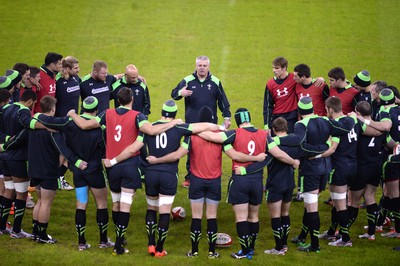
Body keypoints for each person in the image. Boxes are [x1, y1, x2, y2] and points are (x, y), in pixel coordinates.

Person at [68, 87, 183, 255]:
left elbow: (85, 125)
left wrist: (72, 114)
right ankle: (119, 245)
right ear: (132, 100)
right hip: (129, 167)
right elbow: (151, 130)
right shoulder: (138, 116)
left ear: (117, 100)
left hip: (111, 168)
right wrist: (173, 122)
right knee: (125, 206)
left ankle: (118, 240)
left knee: (115, 204)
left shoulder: (106, 114)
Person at [104, 101, 225, 257]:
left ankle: (151, 244)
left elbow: (138, 145)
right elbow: (203, 127)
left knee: (151, 208)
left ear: (162, 111)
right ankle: (160, 249)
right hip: (169, 174)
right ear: (175, 114)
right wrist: (219, 127)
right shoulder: (180, 127)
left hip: (151, 174)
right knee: (165, 212)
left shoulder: (150, 126)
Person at [198, 108, 299, 260]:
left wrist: (193, 130)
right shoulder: (264, 135)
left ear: (238, 121)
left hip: (240, 181)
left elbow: (214, 138)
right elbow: (278, 154)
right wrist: (293, 161)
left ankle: (244, 252)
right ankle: (251, 249)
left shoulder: (235, 133)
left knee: (241, 218)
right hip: (257, 182)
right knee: (254, 217)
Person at [270, 97, 354, 252]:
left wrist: (275, 140)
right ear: (313, 108)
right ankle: (308, 236)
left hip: (310, 170)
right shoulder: (325, 120)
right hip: (325, 169)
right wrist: (325, 146)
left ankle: (314, 245)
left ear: (299, 112)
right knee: (312, 205)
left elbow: (300, 146)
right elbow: (346, 127)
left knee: (311, 208)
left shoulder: (300, 124)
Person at [26, 96, 87, 244]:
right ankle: (42, 235)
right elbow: (63, 150)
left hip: (34, 168)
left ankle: (35, 232)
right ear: (53, 109)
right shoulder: (53, 129)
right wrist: (77, 162)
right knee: (46, 203)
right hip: (47, 169)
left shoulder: (34, 123)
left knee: (40, 201)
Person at [171, 55, 231, 188]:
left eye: (204, 66)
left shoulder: (215, 82)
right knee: (191, 150)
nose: (202, 68)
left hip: (210, 124)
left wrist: (227, 117)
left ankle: (213, 175)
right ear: (196, 66)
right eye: (200, 65)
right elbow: (174, 94)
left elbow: (223, 102)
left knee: (212, 149)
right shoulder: (188, 80)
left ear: (208, 66)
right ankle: (190, 177)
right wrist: (181, 92)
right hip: (192, 124)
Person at [356, 88, 400, 238]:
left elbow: (386, 127)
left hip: (392, 160)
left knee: (393, 194)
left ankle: (397, 229)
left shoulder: (383, 112)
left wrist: (365, 121)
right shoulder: (398, 108)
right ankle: (381, 222)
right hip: (388, 157)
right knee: (386, 193)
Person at [0, 90, 41, 238]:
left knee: (9, 189)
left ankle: (2, 226)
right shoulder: (23, 112)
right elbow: (27, 127)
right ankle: (17, 230)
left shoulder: (6, 108)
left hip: (4, 157)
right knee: (22, 193)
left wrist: (4, 141)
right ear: (30, 101)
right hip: (17, 158)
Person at [318, 96, 358, 247]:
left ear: (330, 109)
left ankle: (345, 239)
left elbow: (331, 147)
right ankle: (331, 232)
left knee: (340, 204)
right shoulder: (352, 122)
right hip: (352, 166)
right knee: (336, 202)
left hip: (339, 168)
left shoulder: (336, 126)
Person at [346, 101, 386, 241]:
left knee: (353, 201)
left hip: (361, 167)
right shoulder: (379, 127)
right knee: (370, 196)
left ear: (358, 113)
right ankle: (371, 233)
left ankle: (344, 232)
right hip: (376, 166)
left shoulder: (360, 126)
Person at [263, 57, 324, 134]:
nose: (274, 70)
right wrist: (267, 125)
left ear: (284, 68)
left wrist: (320, 79)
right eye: (273, 68)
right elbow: (267, 106)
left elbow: (307, 80)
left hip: (291, 117)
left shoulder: (294, 78)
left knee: (290, 142)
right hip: (276, 118)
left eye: (277, 68)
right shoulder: (270, 84)